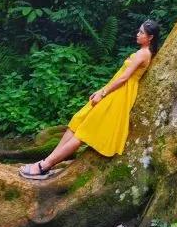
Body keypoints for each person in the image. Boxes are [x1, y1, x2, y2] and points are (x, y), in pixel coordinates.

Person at [18, 19, 160, 180]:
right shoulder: (143, 53)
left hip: (119, 96)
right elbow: (120, 76)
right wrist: (101, 90)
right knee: (77, 121)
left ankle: (44, 166)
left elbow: (124, 78)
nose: (138, 34)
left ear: (150, 38)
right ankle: (47, 160)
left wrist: (103, 93)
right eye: (139, 31)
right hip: (114, 91)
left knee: (83, 133)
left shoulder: (143, 54)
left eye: (141, 32)